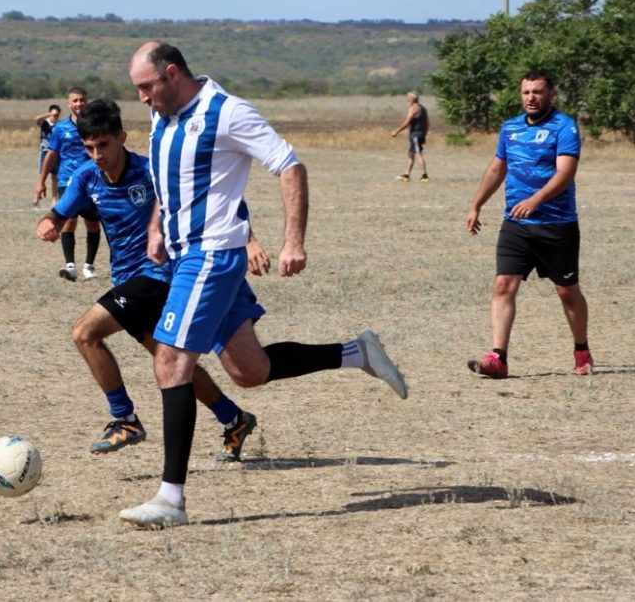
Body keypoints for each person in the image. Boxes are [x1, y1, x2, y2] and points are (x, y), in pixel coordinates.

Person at [119, 42, 408, 529]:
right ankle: (356, 353)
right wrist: (155, 227)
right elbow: (171, 181)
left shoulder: (227, 113)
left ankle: (171, 500)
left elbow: (290, 166)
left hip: (212, 256)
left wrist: (293, 240)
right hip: (183, 255)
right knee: (250, 371)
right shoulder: (162, 114)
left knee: (170, 360)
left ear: (172, 73)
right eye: (138, 90)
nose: (143, 98)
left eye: (147, 86)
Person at [37, 99, 265, 461]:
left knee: (85, 333)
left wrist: (249, 240)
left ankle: (124, 418)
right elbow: (61, 209)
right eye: (89, 147)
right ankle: (233, 418)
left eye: (104, 145)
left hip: (159, 275)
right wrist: (49, 221)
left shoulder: (150, 172)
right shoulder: (86, 176)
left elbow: (215, 200)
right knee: (171, 362)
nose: (97, 155)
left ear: (122, 138)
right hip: (129, 279)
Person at [466, 71, 592, 379]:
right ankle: (498, 358)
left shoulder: (564, 127)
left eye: (537, 92)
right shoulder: (510, 128)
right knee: (503, 285)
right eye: (526, 92)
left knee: (567, 292)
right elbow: (498, 168)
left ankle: (581, 350)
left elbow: (566, 173)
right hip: (516, 224)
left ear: (551, 94)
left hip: (556, 224)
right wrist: (476, 204)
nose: (531, 97)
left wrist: (535, 200)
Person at [34, 87, 101, 281]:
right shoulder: (60, 128)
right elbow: (51, 154)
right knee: (68, 222)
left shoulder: (94, 125)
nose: (79, 103)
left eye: (82, 100)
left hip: (93, 180)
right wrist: (41, 181)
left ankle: (89, 266)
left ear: (87, 101)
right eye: (75, 100)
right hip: (67, 181)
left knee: (92, 223)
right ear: (68, 104)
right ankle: (70, 266)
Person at [391, 91, 429, 182]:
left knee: (418, 154)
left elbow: (407, 122)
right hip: (419, 134)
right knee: (410, 155)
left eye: (408, 98)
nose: (407, 100)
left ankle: (424, 176)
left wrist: (396, 131)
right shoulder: (423, 108)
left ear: (412, 99)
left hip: (416, 135)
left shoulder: (413, 108)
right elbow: (427, 123)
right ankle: (406, 175)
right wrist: (424, 133)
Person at [35, 103, 61, 171]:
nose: (55, 116)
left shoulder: (60, 125)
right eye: (54, 115)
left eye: (57, 115)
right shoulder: (44, 122)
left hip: (56, 151)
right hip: (45, 150)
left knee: (55, 174)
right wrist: (50, 114)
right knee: (43, 172)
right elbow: (37, 118)